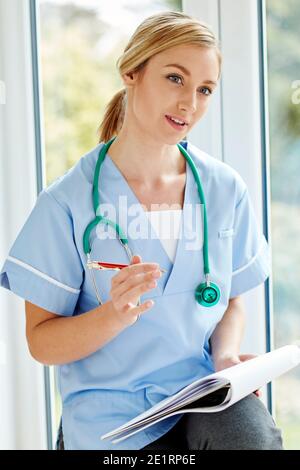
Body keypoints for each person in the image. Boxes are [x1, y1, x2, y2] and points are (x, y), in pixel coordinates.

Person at [0, 11, 283, 450]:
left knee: (251, 438)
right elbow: (41, 342)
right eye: (175, 78)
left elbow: (231, 300)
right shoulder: (67, 203)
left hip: (198, 394)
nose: (190, 103)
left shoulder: (224, 189)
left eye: (205, 89)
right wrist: (111, 314)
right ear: (132, 72)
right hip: (110, 420)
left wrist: (226, 355)